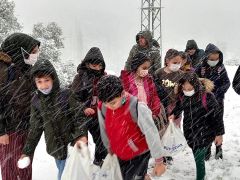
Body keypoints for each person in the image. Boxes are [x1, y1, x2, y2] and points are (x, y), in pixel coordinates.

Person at [19, 59, 88, 180]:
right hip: (55, 148)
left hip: (72, 145)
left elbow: (78, 116)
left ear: (53, 79)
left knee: (67, 175)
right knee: (64, 172)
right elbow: (35, 129)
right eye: (39, 82)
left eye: (47, 80)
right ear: (35, 83)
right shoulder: (36, 101)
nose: (43, 85)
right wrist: (27, 152)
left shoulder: (65, 95)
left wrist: (81, 135)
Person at [97, 75, 166, 180]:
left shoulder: (136, 107)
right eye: (106, 104)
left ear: (122, 93)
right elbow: (104, 129)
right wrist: (109, 148)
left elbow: (151, 133)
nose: (109, 107)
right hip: (120, 152)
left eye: (113, 103)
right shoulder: (103, 107)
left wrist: (159, 160)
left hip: (138, 154)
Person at [169, 72, 224, 180]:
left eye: (188, 85)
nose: (185, 87)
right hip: (190, 132)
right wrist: (174, 114)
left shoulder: (206, 96)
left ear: (195, 84)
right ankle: (205, 154)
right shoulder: (182, 96)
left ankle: (201, 177)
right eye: (183, 85)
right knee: (197, 154)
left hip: (206, 131)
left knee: (199, 159)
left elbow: (217, 116)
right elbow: (179, 107)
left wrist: (219, 134)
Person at [0, 33, 40, 180]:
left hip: (25, 128)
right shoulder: (3, 70)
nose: (35, 55)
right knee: (10, 168)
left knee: (25, 166)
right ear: (20, 50)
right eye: (33, 51)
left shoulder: (26, 69)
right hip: (9, 131)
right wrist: (1, 130)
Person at [71, 47, 108, 166]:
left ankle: (99, 159)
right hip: (82, 116)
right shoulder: (80, 78)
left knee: (102, 139)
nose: (97, 68)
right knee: (82, 142)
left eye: (99, 66)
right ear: (87, 64)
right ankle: (83, 166)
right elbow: (73, 98)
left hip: (98, 115)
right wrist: (83, 108)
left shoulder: (104, 78)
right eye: (94, 65)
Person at [195, 43, 230, 160]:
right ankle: (207, 148)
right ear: (206, 57)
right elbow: (193, 79)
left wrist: (218, 93)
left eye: (216, 59)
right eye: (211, 59)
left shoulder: (221, 68)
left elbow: (227, 83)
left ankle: (219, 149)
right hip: (204, 102)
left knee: (218, 125)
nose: (214, 61)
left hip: (218, 102)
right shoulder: (201, 67)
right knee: (206, 125)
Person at [154, 49, 184, 127]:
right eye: (174, 62)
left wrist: (176, 112)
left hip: (175, 107)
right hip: (161, 107)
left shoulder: (181, 75)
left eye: (179, 63)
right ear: (167, 61)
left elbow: (183, 96)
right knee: (163, 129)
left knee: (174, 130)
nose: (177, 65)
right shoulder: (159, 73)